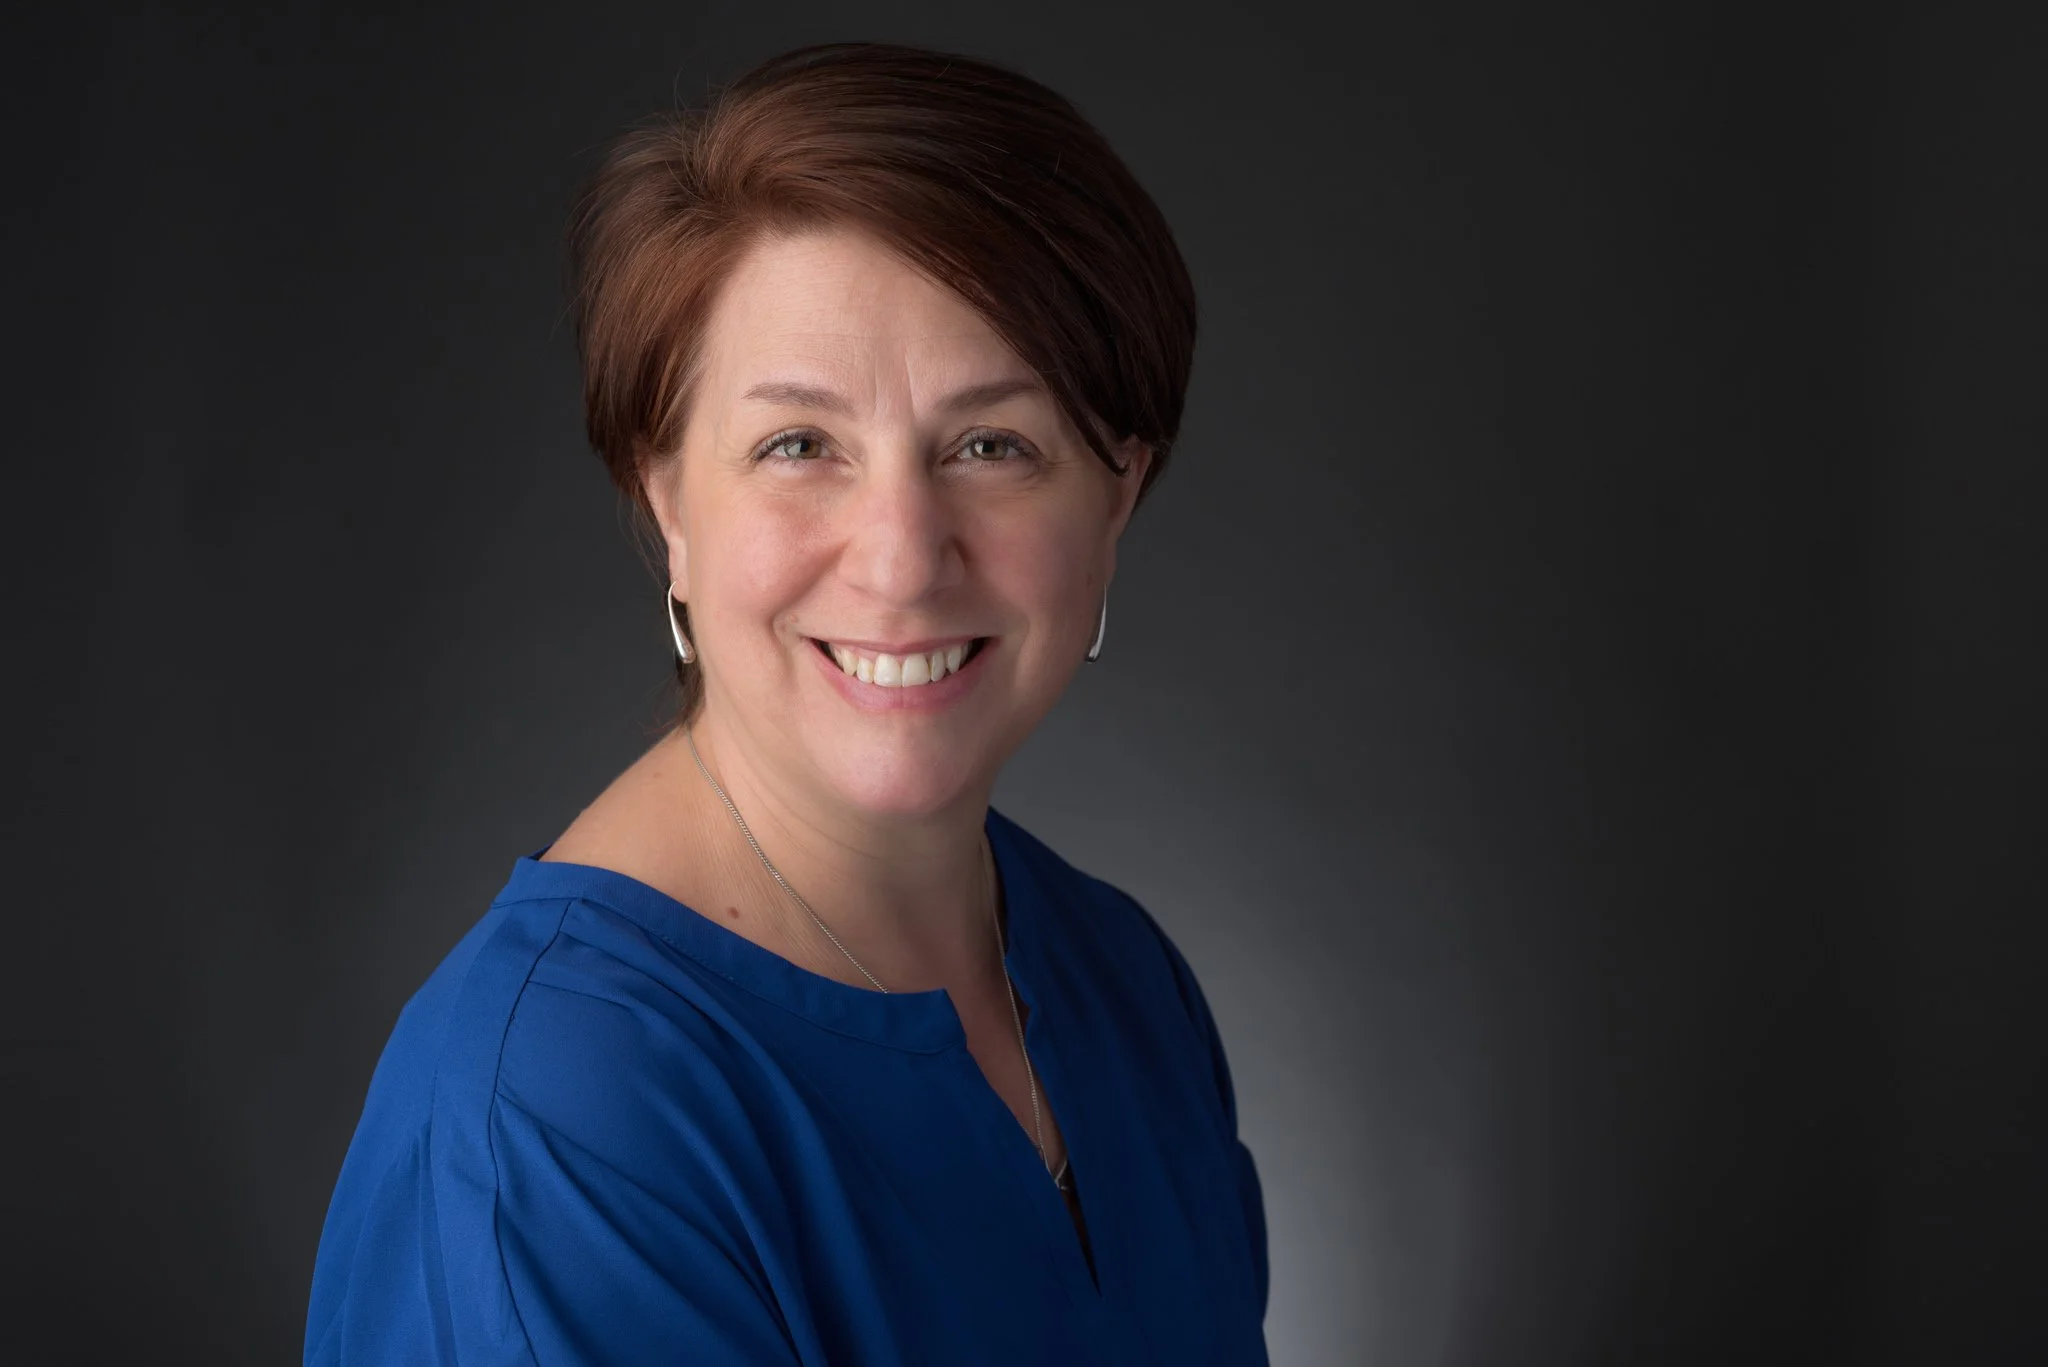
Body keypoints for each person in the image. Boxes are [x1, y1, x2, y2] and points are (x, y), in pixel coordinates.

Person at [304, 40, 1269, 1366]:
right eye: (799, 445)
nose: (898, 553)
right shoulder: (549, 1120)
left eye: (993, 444)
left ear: (1117, 492)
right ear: (668, 504)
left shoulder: (1127, 984)